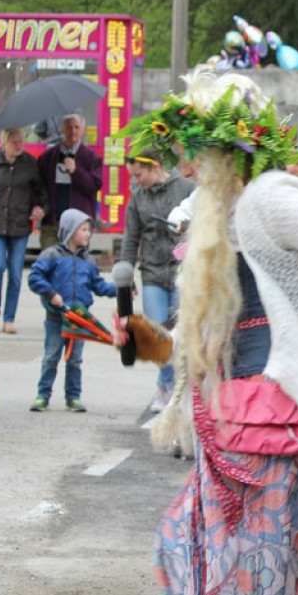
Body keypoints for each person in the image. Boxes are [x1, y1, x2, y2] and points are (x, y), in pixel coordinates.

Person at [112, 67, 298, 593]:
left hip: (278, 414)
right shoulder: (221, 208)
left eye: (192, 149)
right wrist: (162, 347)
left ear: (225, 150)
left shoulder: (267, 197)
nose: (182, 163)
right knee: (208, 547)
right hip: (243, 412)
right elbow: (238, 317)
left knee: (269, 555)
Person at [120, 149, 195, 412]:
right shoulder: (137, 197)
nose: (135, 181)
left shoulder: (187, 187)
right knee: (157, 333)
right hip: (152, 273)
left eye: (138, 175)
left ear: (155, 167)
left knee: (181, 333)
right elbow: (131, 238)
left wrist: (189, 227)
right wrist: (125, 274)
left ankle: (180, 389)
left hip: (181, 272)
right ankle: (165, 387)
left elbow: (205, 221)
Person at [27, 208, 117, 413]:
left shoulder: (88, 260)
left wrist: (121, 290)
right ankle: (43, 396)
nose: (88, 234)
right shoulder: (51, 254)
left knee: (75, 360)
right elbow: (34, 278)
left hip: (78, 320)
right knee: (51, 356)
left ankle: (73, 397)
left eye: (89, 230)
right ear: (69, 231)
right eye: (83, 229)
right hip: (55, 318)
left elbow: (99, 287)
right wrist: (51, 294)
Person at [0, 127, 47, 334]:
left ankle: (9, 318)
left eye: (20, 141)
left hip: (20, 226)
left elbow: (41, 193)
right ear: (4, 143)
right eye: (14, 142)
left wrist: (40, 208)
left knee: (15, 273)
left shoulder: (29, 164)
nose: (18, 145)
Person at [36, 114, 102, 251]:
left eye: (76, 127)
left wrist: (75, 172)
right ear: (62, 130)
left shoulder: (90, 157)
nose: (73, 131)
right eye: (68, 127)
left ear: (83, 130)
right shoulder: (48, 157)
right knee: (51, 265)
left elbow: (95, 186)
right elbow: (37, 186)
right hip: (52, 223)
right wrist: (38, 206)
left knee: (75, 268)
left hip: (78, 226)